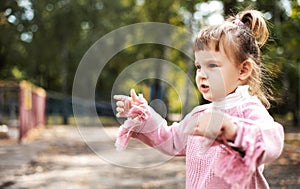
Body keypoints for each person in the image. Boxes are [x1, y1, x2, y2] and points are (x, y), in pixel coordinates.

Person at [113, 9, 284, 189]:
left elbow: (272, 139)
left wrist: (234, 131)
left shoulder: (248, 109)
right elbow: (170, 140)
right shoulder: (201, 114)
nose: (201, 75)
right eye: (198, 66)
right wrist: (143, 116)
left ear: (243, 71)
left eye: (211, 65)